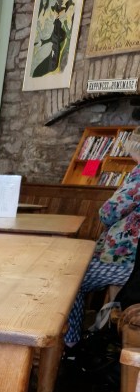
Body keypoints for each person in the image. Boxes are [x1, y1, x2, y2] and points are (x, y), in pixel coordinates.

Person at [64, 128, 140, 349]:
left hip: (126, 261)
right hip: (132, 262)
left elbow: (109, 212)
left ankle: (71, 344)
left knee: (71, 281)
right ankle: (97, 332)